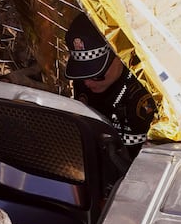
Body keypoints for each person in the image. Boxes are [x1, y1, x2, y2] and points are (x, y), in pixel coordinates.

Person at [64, 14, 158, 179]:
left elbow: (138, 166)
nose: (86, 83)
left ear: (118, 56)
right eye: (82, 73)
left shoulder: (139, 97)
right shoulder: (85, 83)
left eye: (96, 75)